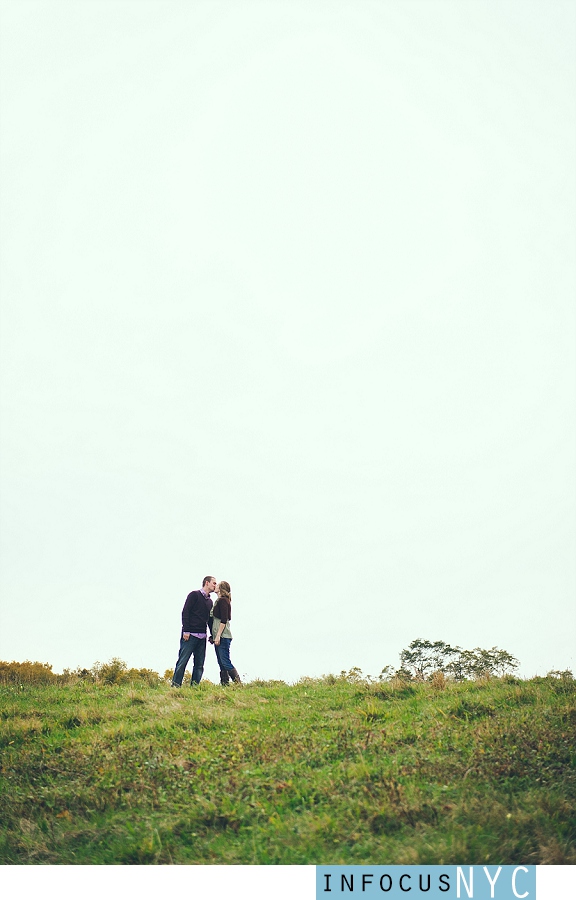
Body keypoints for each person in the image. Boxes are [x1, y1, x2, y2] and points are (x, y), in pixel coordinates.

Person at [171, 575, 216, 687]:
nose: (215, 585)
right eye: (214, 583)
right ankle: (175, 686)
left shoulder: (210, 602)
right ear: (207, 583)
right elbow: (185, 612)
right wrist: (186, 630)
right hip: (189, 635)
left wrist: (212, 635)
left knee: (199, 665)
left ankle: (194, 687)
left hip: (202, 637)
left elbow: (210, 620)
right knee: (182, 661)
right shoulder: (194, 595)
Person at [210, 580, 241, 685]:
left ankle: (238, 683)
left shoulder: (223, 600)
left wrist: (218, 635)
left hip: (223, 636)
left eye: (217, 585)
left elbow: (224, 620)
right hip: (218, 636)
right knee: (221, 662)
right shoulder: (219, 600)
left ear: (221, 588)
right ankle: (225, 684)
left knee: (225, 661)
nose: (215, 586)